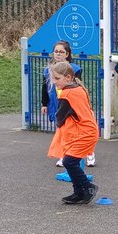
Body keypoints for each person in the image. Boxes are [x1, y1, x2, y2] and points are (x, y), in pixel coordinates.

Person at [46, 61, 99, 204]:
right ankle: (78, 193)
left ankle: (88, 188)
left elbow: (60, 117)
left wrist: (58, 121)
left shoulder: (66, 94)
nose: (54, 82)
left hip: (84, 133)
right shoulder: (79, 88)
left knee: (69, 161)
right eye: (53, 79)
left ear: (68, 78)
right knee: (71, 161)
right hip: (87, 131)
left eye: (57, 79)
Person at [41, 41, 96, 167]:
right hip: (57, 101)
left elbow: (78, 85)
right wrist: (44, 103)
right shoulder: (48, 70)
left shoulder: (73, 70)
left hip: (70, 104)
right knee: (63, 130)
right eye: (56, 51)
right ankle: (64, 154)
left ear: (67, 54)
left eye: (61, 52)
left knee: (79, 132)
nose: (58, 54)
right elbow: (45, 88)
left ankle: (89, 153)